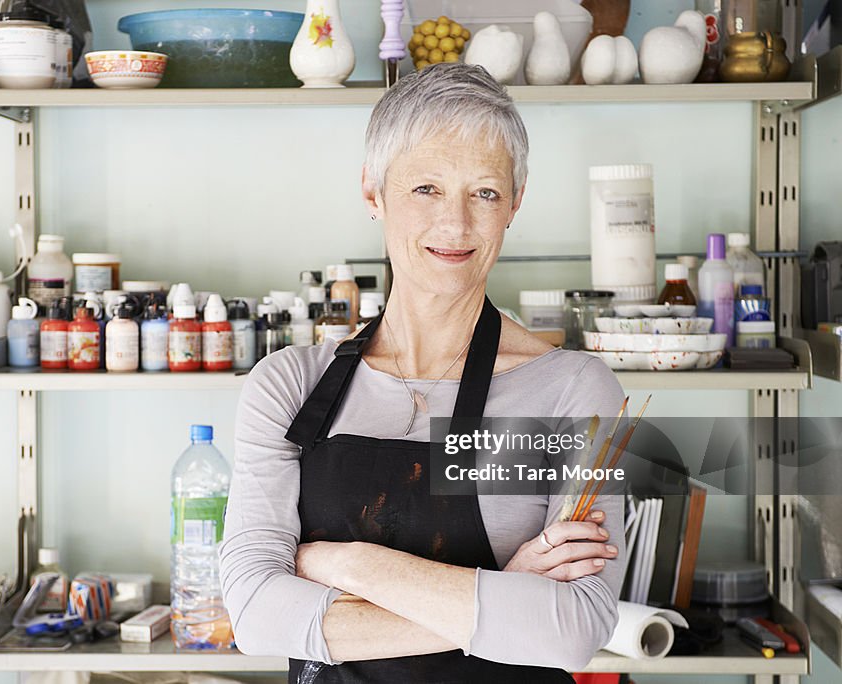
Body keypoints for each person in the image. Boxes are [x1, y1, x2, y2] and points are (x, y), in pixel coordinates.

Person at [219, 63, 625, 683]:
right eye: (426, 189)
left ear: (514, 202)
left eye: (484, 192)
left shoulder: (571, 390)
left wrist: (343, 564)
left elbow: (571, 632)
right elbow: (254, 615)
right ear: (373, 192)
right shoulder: (289, 387)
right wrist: (500, 596)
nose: (456, 225)